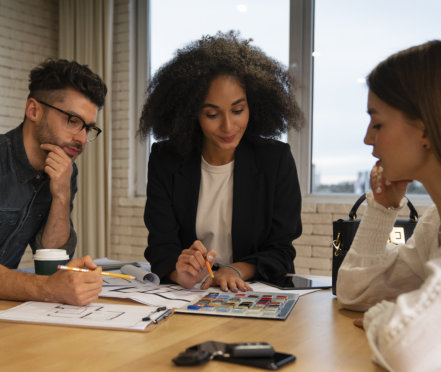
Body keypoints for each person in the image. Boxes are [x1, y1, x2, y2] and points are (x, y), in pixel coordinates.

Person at [138, 31, 303, 292]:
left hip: (249, 291)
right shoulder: (165, 160)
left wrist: (234, 269)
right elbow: (160, 247)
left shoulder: (275, 160)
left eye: (238, 110)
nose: (228, 126)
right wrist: (182, 272)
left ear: (254, 105)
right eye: (212, 114)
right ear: (191, 114)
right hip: (188, 295)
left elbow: (281, 250)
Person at [336, 40, 441, 371]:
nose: (368, 138)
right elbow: (354, 294)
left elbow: (405, 347)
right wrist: (382, 209)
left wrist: (384, 314)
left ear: (423, 128)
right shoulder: (434, 223)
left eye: (377, 123)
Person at [0, 59, 107, 306]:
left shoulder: (65, 172)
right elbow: (48, 281)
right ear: (34, 111)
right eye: (72, 120)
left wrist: (61, 195)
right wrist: (47, 288)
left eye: (88, 128)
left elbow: (52, 260)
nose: (81, 139)